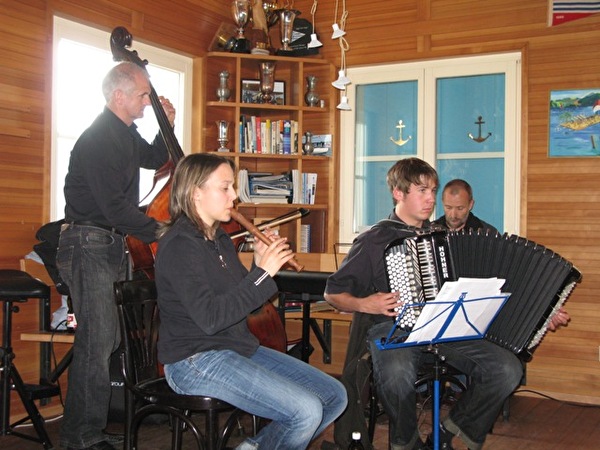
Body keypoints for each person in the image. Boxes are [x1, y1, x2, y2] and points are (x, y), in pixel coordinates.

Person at [324, 158, 569, 450]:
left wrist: (541, 314)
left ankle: (448, 432)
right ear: (398, 193)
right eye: (422, 191)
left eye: (432, 191)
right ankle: (405, 442)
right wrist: (368, 304)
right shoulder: (375, 239)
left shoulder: (444, 237)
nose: (430, 199)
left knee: (506, 369)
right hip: (394, 330)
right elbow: (333, 293)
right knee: (398, 373)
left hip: (446, 330)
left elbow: (493, 287)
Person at [154, 153, 347, 450]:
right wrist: (264, 274)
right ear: (196, 193)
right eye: (225, 187)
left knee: (334, 396)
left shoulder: (218, 241)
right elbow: (211, 319)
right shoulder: (179, 246)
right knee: (305, 411)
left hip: (235, 348)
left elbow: (251, 307)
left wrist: (259, 267)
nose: (234, 196)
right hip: (193, 361)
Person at [56, 61, 175, 450]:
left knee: (105, 340)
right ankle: (81, 437)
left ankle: (88, 430)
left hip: (107, 243)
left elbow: (156, 158)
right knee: (98, 340)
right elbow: (113, 209)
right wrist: (163, 233)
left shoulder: (123, 134)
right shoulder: (99, 138)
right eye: (143, 95)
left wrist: (166, 125)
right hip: (89, 243)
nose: (148, 101)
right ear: (118, 95)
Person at [433, 179, 497, 233]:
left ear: (470, 205)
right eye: (448, 207)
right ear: (442, 202)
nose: (453, 215)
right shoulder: (431, 232)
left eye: (460, 208)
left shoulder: (487, 233)